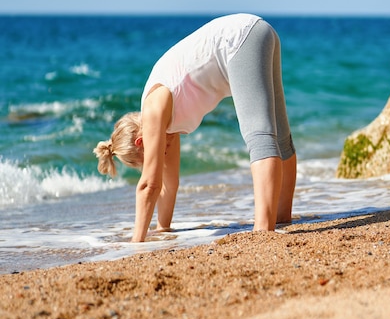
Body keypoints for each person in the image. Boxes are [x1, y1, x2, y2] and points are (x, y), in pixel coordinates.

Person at [94, 13, 297, 242]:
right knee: (280, 137)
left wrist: (135, 243)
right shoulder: (167, 123)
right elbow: (168, 186)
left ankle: (263, 230)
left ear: (141, 142)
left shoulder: (152, 111)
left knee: (260, 135)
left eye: (152, 154)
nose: (161, 155)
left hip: (238, 40)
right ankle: (282, 219)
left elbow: (149, 184)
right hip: (260, 31)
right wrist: (163, 229)